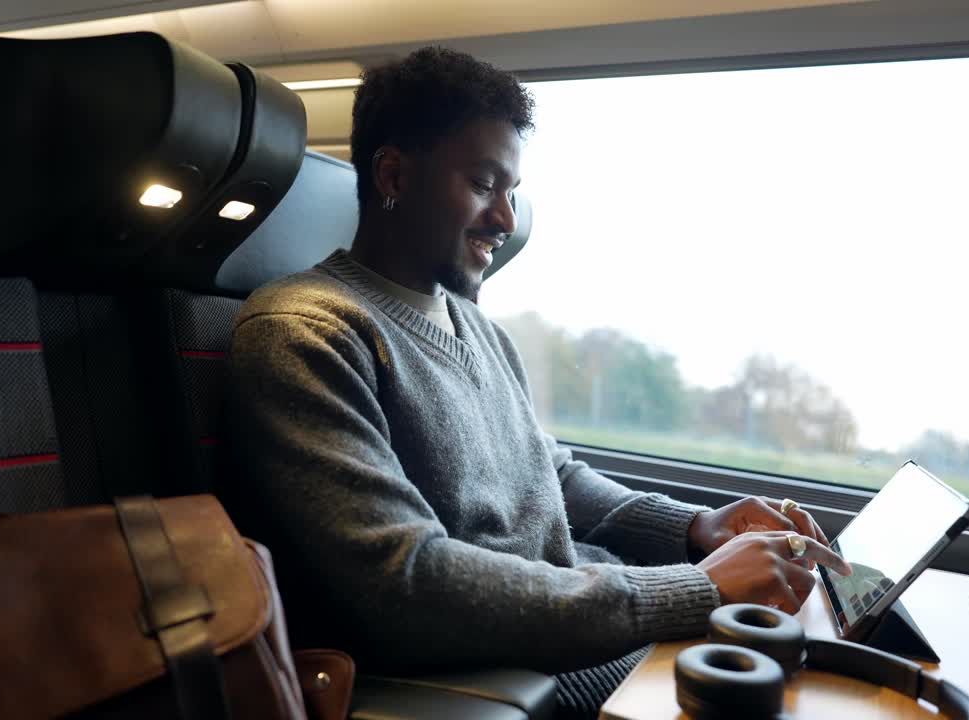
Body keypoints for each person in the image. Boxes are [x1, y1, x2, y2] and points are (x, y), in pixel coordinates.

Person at [221, 46, 851, 719]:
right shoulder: (304, 332)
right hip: (499, 676)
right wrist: (693, 589)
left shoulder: (476, 327)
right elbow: (404, 583)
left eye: (512, 191)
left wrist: (696, 528)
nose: (507, 219)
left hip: (580, 642)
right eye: (485, 184)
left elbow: (553, 477)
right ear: (393, 173)